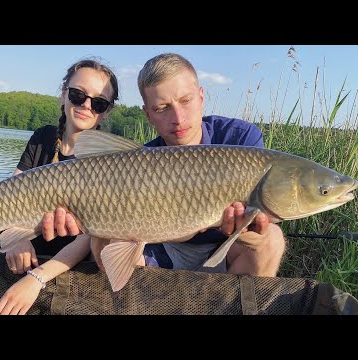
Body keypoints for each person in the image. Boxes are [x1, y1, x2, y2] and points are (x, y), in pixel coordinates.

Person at [41, 53, 286, 279]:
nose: (177, 118)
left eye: (185, 101)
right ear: (148, 114)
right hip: (160, 250)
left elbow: (267, 213)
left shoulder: (241, 140)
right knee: (101, 239)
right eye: (162, 108)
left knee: (271, 238)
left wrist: (251, 228)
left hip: (225, 248)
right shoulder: (140, 160)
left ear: (201, 98)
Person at [0, 58, 119, 315]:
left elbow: (87, 240)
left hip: (66, 265)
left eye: (98, 102)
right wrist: (17, 240)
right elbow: (9, 196)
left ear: (105, 111)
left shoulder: (107, 159)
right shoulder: (43, 137)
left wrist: (36, 280)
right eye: (77, 95)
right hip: (25, 253)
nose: (86, 105)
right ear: (64, 95)